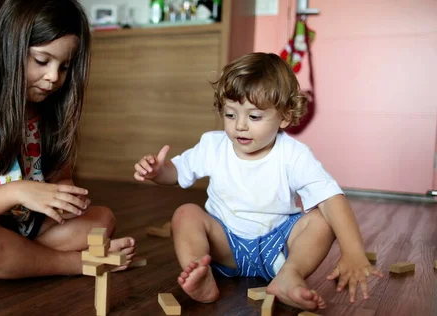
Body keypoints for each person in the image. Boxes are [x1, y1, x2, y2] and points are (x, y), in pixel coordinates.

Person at [133, 52, 383, 311]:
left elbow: (332, 200)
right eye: (230, 115)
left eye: (253, 117)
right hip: (224, 247)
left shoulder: (294, 154)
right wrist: (158, 171)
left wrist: (353, 252)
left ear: (284, 117)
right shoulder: (212, 145)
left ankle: (290, 274)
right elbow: (177, 173)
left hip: (278, 248)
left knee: (322, 220)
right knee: (185, 214)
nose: (240, 125)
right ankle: (200, 272)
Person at [0, 0, 136, 288]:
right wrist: (20, 190)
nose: (54, 77)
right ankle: (75, 264)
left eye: (65, 66)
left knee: (102, 220)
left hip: (25, 224)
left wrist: (64, 199)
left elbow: (62, 178)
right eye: (42, 61)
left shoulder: (51, 112)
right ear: (11, 50)